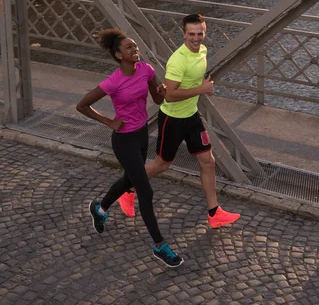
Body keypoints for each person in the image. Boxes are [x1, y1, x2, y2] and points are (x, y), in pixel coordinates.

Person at [118, 14, 241, 229]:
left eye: (200, 33)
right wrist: (201, 90)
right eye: (191, 34)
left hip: (191, 117)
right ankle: (126, 191)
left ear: (205, 32)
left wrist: (203, 86)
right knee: (161, 164)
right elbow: (170, 95)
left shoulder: (202, 51)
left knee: (208, 162)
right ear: (184, 34)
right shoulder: (177, 60)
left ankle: (214, 213)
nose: (196, 38)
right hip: (172, 120)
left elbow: (195, 80)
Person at [76, 28, 183, 268]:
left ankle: (100, 209)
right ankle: (159, 246)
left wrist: (161, 93)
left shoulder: (146, 70)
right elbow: (81, 105)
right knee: (145, 191)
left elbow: (157, 100)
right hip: (123, 140)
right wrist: (109, 121)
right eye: (129, 48)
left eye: (135, 46)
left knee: (128, 180)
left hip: (143, 134)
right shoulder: (113, 81)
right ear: (117, 55)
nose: (135, 50)